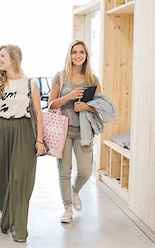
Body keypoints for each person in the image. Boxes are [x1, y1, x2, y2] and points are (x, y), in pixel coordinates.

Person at [0, 44, 46, 242]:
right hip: (1, 129)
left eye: (2, 56)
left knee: (20, 177)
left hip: (23, 130)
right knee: (1, 173)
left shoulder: (30, 83)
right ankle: (5, 212)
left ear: (14, 58)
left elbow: (38, 114)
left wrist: (40, 140)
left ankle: (19, 227)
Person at [48, 39, 101, 224]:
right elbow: (51, 104)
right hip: (63, 130)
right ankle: (67, 208)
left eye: (82, 52)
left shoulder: (92, 79)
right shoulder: (60, 76)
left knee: (86, 171)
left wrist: (86, 107)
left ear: (86, 56)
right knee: (64, 171)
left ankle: (75, 191)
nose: (78, 55)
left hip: (84, 131)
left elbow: (99, 107)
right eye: (74, 52)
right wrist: (68, 97)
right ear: (69, 55)